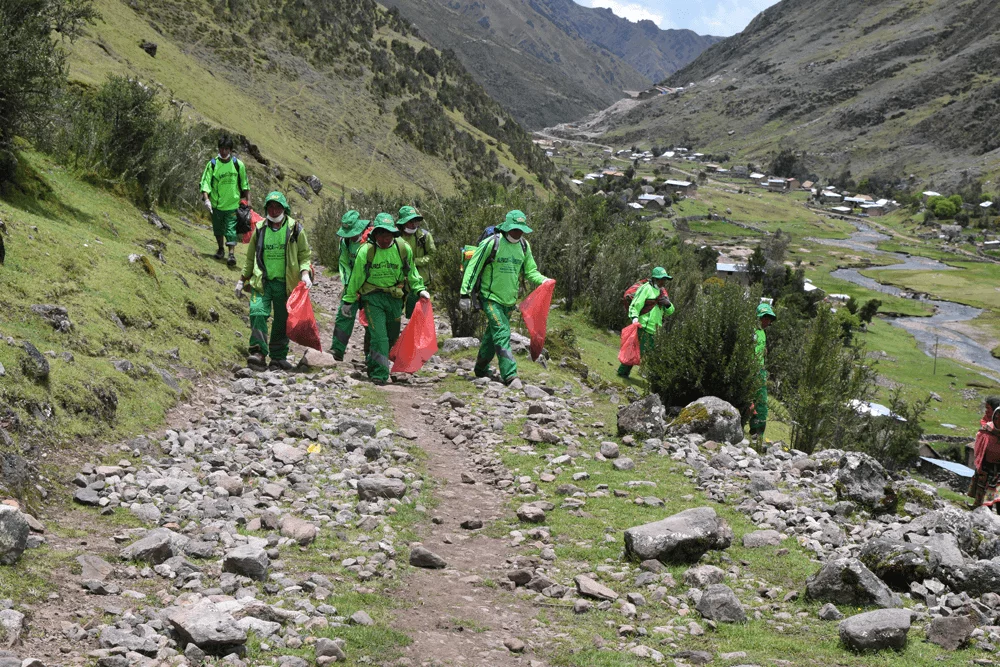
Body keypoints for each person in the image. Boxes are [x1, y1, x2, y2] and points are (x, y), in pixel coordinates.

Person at [459, 210, 549, 388]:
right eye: (515, 228)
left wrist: (544, 281)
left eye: (521, 229)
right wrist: (464, 293)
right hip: (490, 298)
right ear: (508, 226)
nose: (518, 232)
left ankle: (481, 368)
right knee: (502, 333)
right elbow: (473, 268)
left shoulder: (524, 246)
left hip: (509, 301)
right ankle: (510, 375)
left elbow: (530, 271)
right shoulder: (492, 243)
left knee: (492, 337)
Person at [341, 213, 428, 385]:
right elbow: (356, 278)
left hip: (395, 298)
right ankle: (380, 374)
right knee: (379, 336)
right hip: (372, 298)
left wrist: (420, 289)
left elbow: (411, 273)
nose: (385, 238)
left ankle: (374, 364)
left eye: (388, 234)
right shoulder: (365, 251)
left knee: (392, 336)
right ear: (375, 234)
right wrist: (348, 300)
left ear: (394, 234)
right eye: (381, 233)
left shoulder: (403, 249)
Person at [235, 191, 312, 371]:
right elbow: (249, 258)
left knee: (281, 320)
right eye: (271, 206)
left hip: (286, 285)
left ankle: (278, 357)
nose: (274, 210)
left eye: (278, 207)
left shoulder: (295, 228)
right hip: (262, 282)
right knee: (257, 312)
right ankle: (258, 352)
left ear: (284, 208)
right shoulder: (260, 228)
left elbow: (304, 255)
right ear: (266, 208)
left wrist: (305, 273)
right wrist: (241, 279)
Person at [200, 135, 250, 266]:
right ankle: (221, 249)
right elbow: (205, 183)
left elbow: (245, 184)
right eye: (222, 148)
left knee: (231, 230)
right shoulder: (212, 165)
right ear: (218, 149)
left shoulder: (238, 165)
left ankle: (231, 255)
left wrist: (248, 201)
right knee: (218, 229)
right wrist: (207, 200)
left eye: (227, 149)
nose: (224, 151)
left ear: (231, 150)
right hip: (216, 205)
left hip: (233, 205)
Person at [617, 267, 674, 379]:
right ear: (655, 279)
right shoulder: (646, 289)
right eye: (661, 279)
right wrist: (634, 319)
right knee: (634, 352)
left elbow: (670, 311)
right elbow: (636, 304)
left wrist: (668, 305)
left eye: (664, 279)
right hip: (642, 327)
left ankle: (646, 375)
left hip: (655, 330)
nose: (663, 281)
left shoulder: (663, 293)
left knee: (649, 355)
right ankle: (623, 373)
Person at [330, 210, 370, 361]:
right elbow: (344, 264)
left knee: (370, 320)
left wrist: (363, 285)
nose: (350, 236)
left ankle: (370, 356)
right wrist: (349, 285)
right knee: (343, 315)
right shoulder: (344, 242)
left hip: (369, 287)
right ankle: (337, 350)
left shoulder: (369, 240)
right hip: (351, 285)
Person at [396, 205, 437, 318]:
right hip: (399, 281)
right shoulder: (395, 238)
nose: (414, 224)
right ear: (403, 223)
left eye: (415, 221)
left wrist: (415, 262)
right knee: (395, 310)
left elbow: (432, 254)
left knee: (415, 313)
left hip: (421, 279)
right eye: (410, 221)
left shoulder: (424, 236)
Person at [750, 302, 776, 446]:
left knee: (762, 405)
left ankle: (759, 434)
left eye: (769, 318)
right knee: (750, 404)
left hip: (760, 371)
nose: (767, 321)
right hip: (750, 370)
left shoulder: (762, 333)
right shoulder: (752, 331)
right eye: (764, 318)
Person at [969, 397, 1000, 511]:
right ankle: (980, 509)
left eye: (989, 409)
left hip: (997, 467)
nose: (986, 412)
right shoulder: (986, 427)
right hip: (986, 464)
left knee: (995, 492)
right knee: (983, 489)